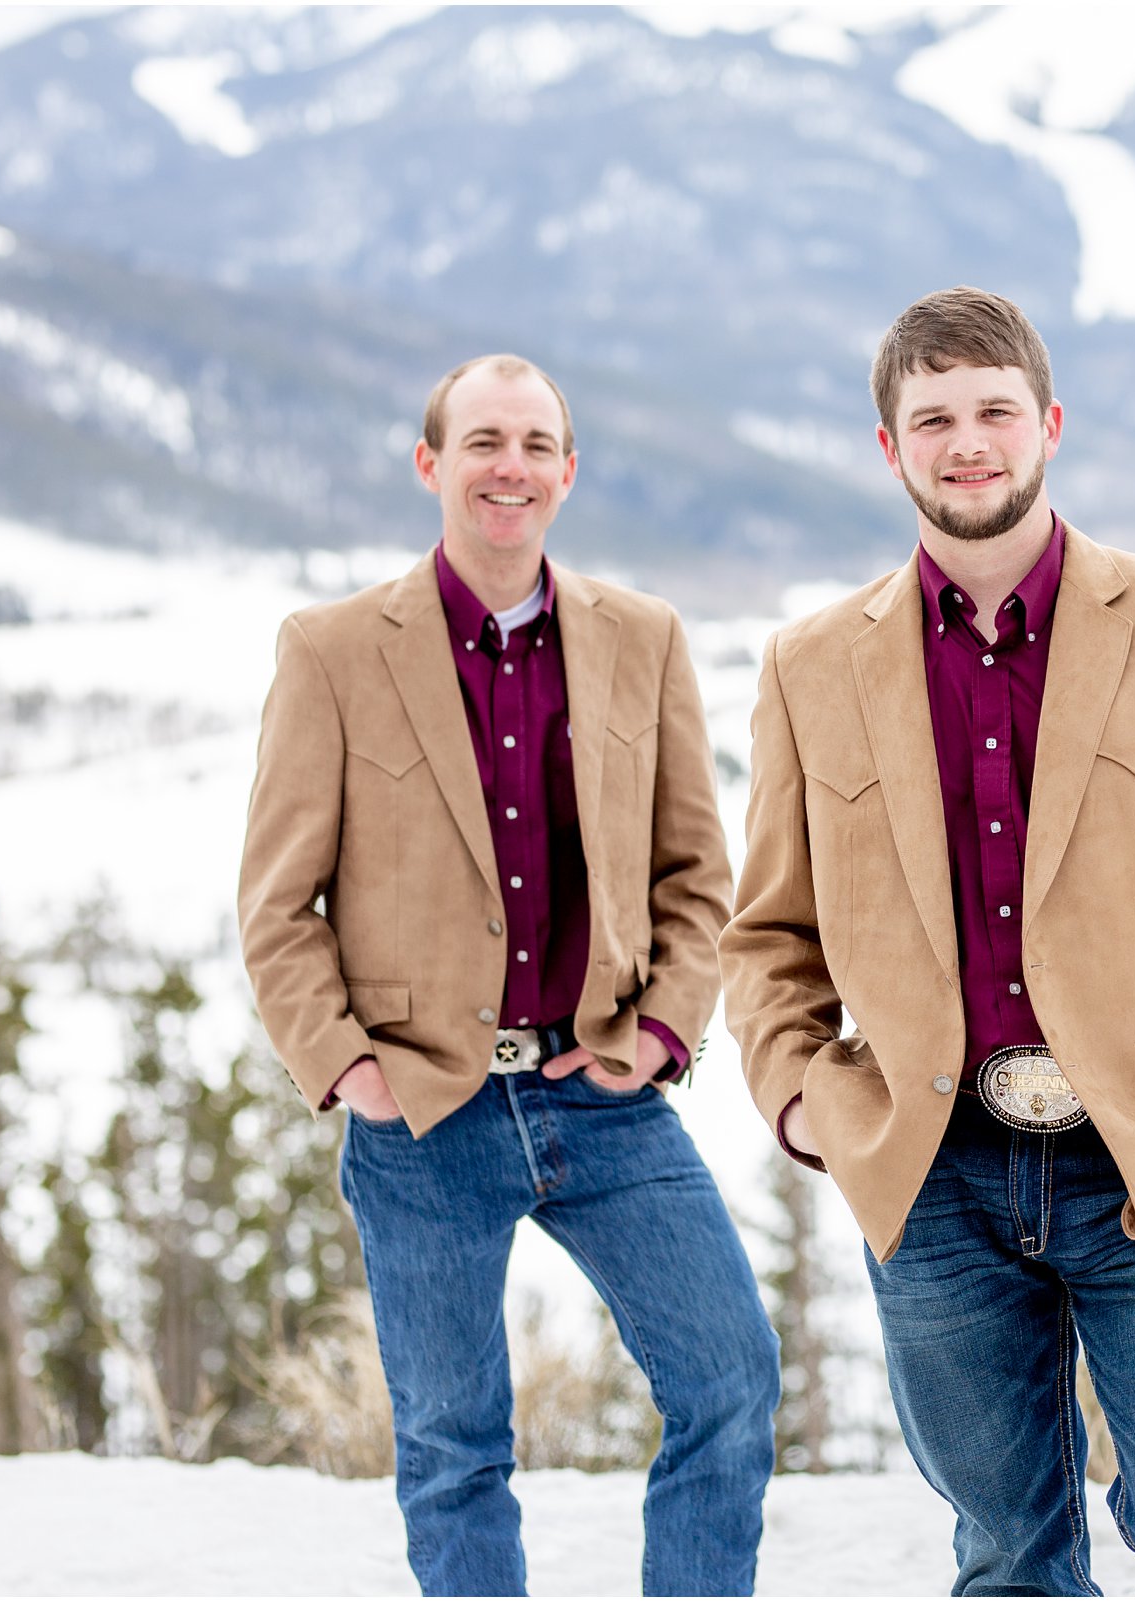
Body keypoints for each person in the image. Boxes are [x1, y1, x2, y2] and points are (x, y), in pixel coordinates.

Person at [719, 286, 1135, 1596]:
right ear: (889, 447)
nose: (967, 441)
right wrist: (805, 1107)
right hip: (932, 1171)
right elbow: (769, 934)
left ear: (1047, 424)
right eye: (931, 417)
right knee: (1006, 1550)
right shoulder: (810, 664)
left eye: (994, 410)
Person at [238, 354, 778, 1596]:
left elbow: (699, 874)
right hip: (422, 1111)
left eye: (536, 444)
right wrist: (349, 1068)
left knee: (731, 1379)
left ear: (568, 471)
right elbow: (276, 906)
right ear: (430, 465)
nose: (510, 467)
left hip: (606, 1094)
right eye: (482, 441)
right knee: (451, 1444)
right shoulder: (331, 651)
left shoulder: (643, 639)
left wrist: (661, 1035)